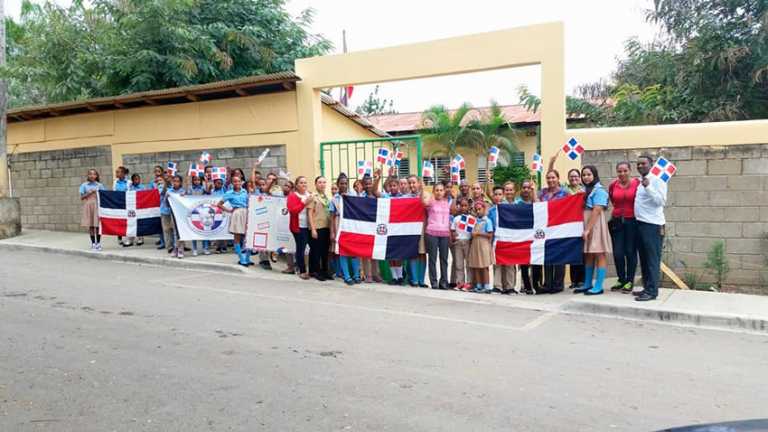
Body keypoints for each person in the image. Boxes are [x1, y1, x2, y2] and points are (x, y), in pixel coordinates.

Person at [634, 154, 668, 302]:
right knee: (644, 259)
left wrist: (648, 187)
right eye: (638, 164)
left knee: (652, 259)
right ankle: (647, 288)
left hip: (653, 226)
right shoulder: (642, 180)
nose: (640, 166)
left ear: (651, 164)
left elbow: (660, 201)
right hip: (641, 224)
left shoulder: (658, 180)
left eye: (643, 164)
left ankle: (652, 291)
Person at [575, 166, 612, 295]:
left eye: (589, 174)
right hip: (586, 223)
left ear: (594, 175)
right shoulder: (584, 190)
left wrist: (587, 229)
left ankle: (599, 285)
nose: (586, 177)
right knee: (588, 254)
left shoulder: (599, 190)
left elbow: (596, 210)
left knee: (599, 253)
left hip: (595, 224)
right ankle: (587, 283)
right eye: (584, 175)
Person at [608, 161, 640, 293]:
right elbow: (612, 199)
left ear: (630, 171)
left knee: (630, 251)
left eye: (625, 171)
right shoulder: (613, 185)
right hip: (617, 221)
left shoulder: (637, 183)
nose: (622, 173)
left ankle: (630, 280)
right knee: (618, 253)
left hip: (632, 221)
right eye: (619, 171)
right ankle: (621, 279)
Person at [538, 170, 569, 294]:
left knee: (559, 256)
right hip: (546, 228)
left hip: (559, 228)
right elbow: (538, 205)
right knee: (547, 255)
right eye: (548, 178)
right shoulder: (543, 193)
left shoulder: (565, 193)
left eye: (553, 177)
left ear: (558, 178)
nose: (551, 180)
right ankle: (548, 284)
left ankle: (557, 285)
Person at [330, 174, 361, 285]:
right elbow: (332, 217)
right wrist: (333, 232)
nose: (343, 185)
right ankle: (347, 276)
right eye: (341, 183)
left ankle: (356, 275)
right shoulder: (334, 199)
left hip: (351, 225)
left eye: (345, 183)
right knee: (342, 251)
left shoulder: (352, 196)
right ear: (338, 184)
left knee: (353, 251)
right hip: (339, 225)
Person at [216, 175, 252, 266]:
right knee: (237, 236)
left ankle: (248, 258)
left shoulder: (245, 191)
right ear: (232, 183)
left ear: (241, 182)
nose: (237, 183)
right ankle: (241, 258)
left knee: (248, 237)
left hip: (246, 212)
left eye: (239, 181)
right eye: (235, 181)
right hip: (237, 213)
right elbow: (219, 204)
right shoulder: (229, 193)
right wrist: (229, 210)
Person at [422, 182, 451, 290]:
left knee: (444, 259)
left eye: (441, 190)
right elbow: (423, 201)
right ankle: (434, 282)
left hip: (445, 234)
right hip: (432, 233)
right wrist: (422, 186)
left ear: (444, 192)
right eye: (437, 190)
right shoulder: (430, 202)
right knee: (432, 259)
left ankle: (444, 282)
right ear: (433, 191)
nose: (439, 192)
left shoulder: (447, 202)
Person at [488, 185, 515, 294]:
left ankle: (509, 287)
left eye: (500, 194)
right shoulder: (491, 211)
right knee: (497, 263)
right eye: (496, 195)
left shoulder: (510, 208)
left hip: (508, 239)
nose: (498, 197)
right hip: (496, 240)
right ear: (493, 196)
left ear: (503, 195)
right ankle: (497, 286)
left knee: (509, 264)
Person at [517, 179, 542, 294]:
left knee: (536, 262)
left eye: (529, 188)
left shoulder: (536, 201)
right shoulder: (518, 203)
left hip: (535, 236)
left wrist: (534, 192)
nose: (526, 190)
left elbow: (539, 207)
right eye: (524, 187)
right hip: (522, 236)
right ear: (521, 189)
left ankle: (537, 285)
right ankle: (527, 286)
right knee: (524, 264)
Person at [287, 176, 313, 280]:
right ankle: (301, 270)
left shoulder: (309, 194)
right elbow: (293, 211)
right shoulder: (292, 196)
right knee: (301, 248)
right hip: (298, 227)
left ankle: (312, 269)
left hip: (309, 226)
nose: (304, 185)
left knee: (313, 248)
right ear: (296, 185)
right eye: (301, 183)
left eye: (305, 183)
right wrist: (303, 203)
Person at [381, 177, 406, 285]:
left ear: (399, 186)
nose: (392, 187)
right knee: (391, 254)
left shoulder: (404, 197)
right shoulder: (386, 197)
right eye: (391, 186)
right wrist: (379, 178)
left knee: (399, 254)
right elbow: (375, 192)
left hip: (399, 229)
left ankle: (400, 276)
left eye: (395, 185)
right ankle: (394, 277)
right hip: (389, 228)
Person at [307, 176, 332, 281]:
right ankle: (315, 271)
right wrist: (313, 229)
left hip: (326, 227)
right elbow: (310, 213)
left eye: (324, 182)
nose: (322, 184)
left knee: (324, 251)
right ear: (316, 184)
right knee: (316, 251)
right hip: (317, 227)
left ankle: (325, 271)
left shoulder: (326, 197)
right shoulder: (313, 196)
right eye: (320, 182)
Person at [565, 168, 585, 290]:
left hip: (582, 223)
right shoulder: (565, 191)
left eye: (576, 176)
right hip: (569, 225)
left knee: (582, 253)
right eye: (571, 176)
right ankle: (574, 280)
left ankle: (582, 280)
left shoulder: (584, 191)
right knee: (572, 254)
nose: (574, 178)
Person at [468, 201, 495, 293]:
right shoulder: (474, 221)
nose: (478, 211)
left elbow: (490, 234)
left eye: (480, 209)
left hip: (483, 244)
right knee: (476, 265)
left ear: (484, 209)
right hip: (475, 244)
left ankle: (486, 286)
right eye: (476, 209)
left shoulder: (487, 221)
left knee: (484, 266)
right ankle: (479, 285)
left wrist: (479, 233)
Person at [406, 175, 428, 288]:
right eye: (410, 183)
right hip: (410, 228)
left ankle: (421, 280)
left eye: (414, 182)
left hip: (423, 228)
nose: (411, 185)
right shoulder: (406, 197)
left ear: (419, 183)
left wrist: (423, 191)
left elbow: (427, 204)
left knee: (422, 253)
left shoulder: (425, 195)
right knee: (412, 253)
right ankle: (414, 279)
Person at [450, 197, 473, 291]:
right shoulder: (456, 218)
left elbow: (472, 232)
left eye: (465, 206)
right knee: (459, 264)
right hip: (458, 242)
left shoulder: (471, 218)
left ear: (468, 207)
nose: (463, 207)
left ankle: (469, 283)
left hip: (467, 242)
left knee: (468, 264)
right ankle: (460, 282)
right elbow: (452, 230)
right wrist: (453, 236)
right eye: (461, 205)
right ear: (459, 206)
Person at [80, 169, 105, 251]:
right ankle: (93, 244)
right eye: (90, 174)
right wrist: (89, 192)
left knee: (97, 225)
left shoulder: (100, 185)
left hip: (97, 205)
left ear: (96, 176)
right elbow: (82, 197)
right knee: (91, 225)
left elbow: (104, 196)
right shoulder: (84, 185)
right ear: (87, 175)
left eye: (94, 174)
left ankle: (98, 243)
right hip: (88, 205)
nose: (92, 176)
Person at [186, 173, 210, 256]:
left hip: (202, 212)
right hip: (193, 212)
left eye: (198, 180)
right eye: (195, 180)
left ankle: (205, 248)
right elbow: (186, 196)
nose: (197, 181)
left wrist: (206, 182)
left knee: (204, 230)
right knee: (194, 230)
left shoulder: (203, 188)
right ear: (192, 180)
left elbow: (208, 193)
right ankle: (195, 249)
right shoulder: (190, 188)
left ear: (201, 181)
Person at [166, 175, 187, 259]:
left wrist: (184, 197)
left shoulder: (183, 191)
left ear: (180, 183)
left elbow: (187, 203)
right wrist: (167, 198)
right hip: (173, 214)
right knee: (175, 232)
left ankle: (180, 249)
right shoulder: (169, 191)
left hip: (182, 215)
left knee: (181, 232)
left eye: (178, 181)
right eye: (174, 181)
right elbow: (167, 205)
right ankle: (175, 248)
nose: (176, 183)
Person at [124, 173, 147, 247]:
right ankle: (131, 238)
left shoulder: (143, 187)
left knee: (140, 222)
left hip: (140, 207)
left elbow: (146, 196)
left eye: (138, 179)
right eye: (135, 179)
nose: (137, 180)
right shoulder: (129, 187)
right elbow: (126, 195)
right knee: (131, 222)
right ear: (132, 180)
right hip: (132, 208)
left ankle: (140, 238)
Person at [113, 166, 129, 245]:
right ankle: (119, 238)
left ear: (123, 173)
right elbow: (114, 192)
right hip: (118, 204)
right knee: (119, 221)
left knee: (126, 221)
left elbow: (130, 193)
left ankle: (127, 238)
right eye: (116, 172)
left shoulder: (129, 182)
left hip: (127, 204)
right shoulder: (115, 182)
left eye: (118, 172)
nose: (116, 173)